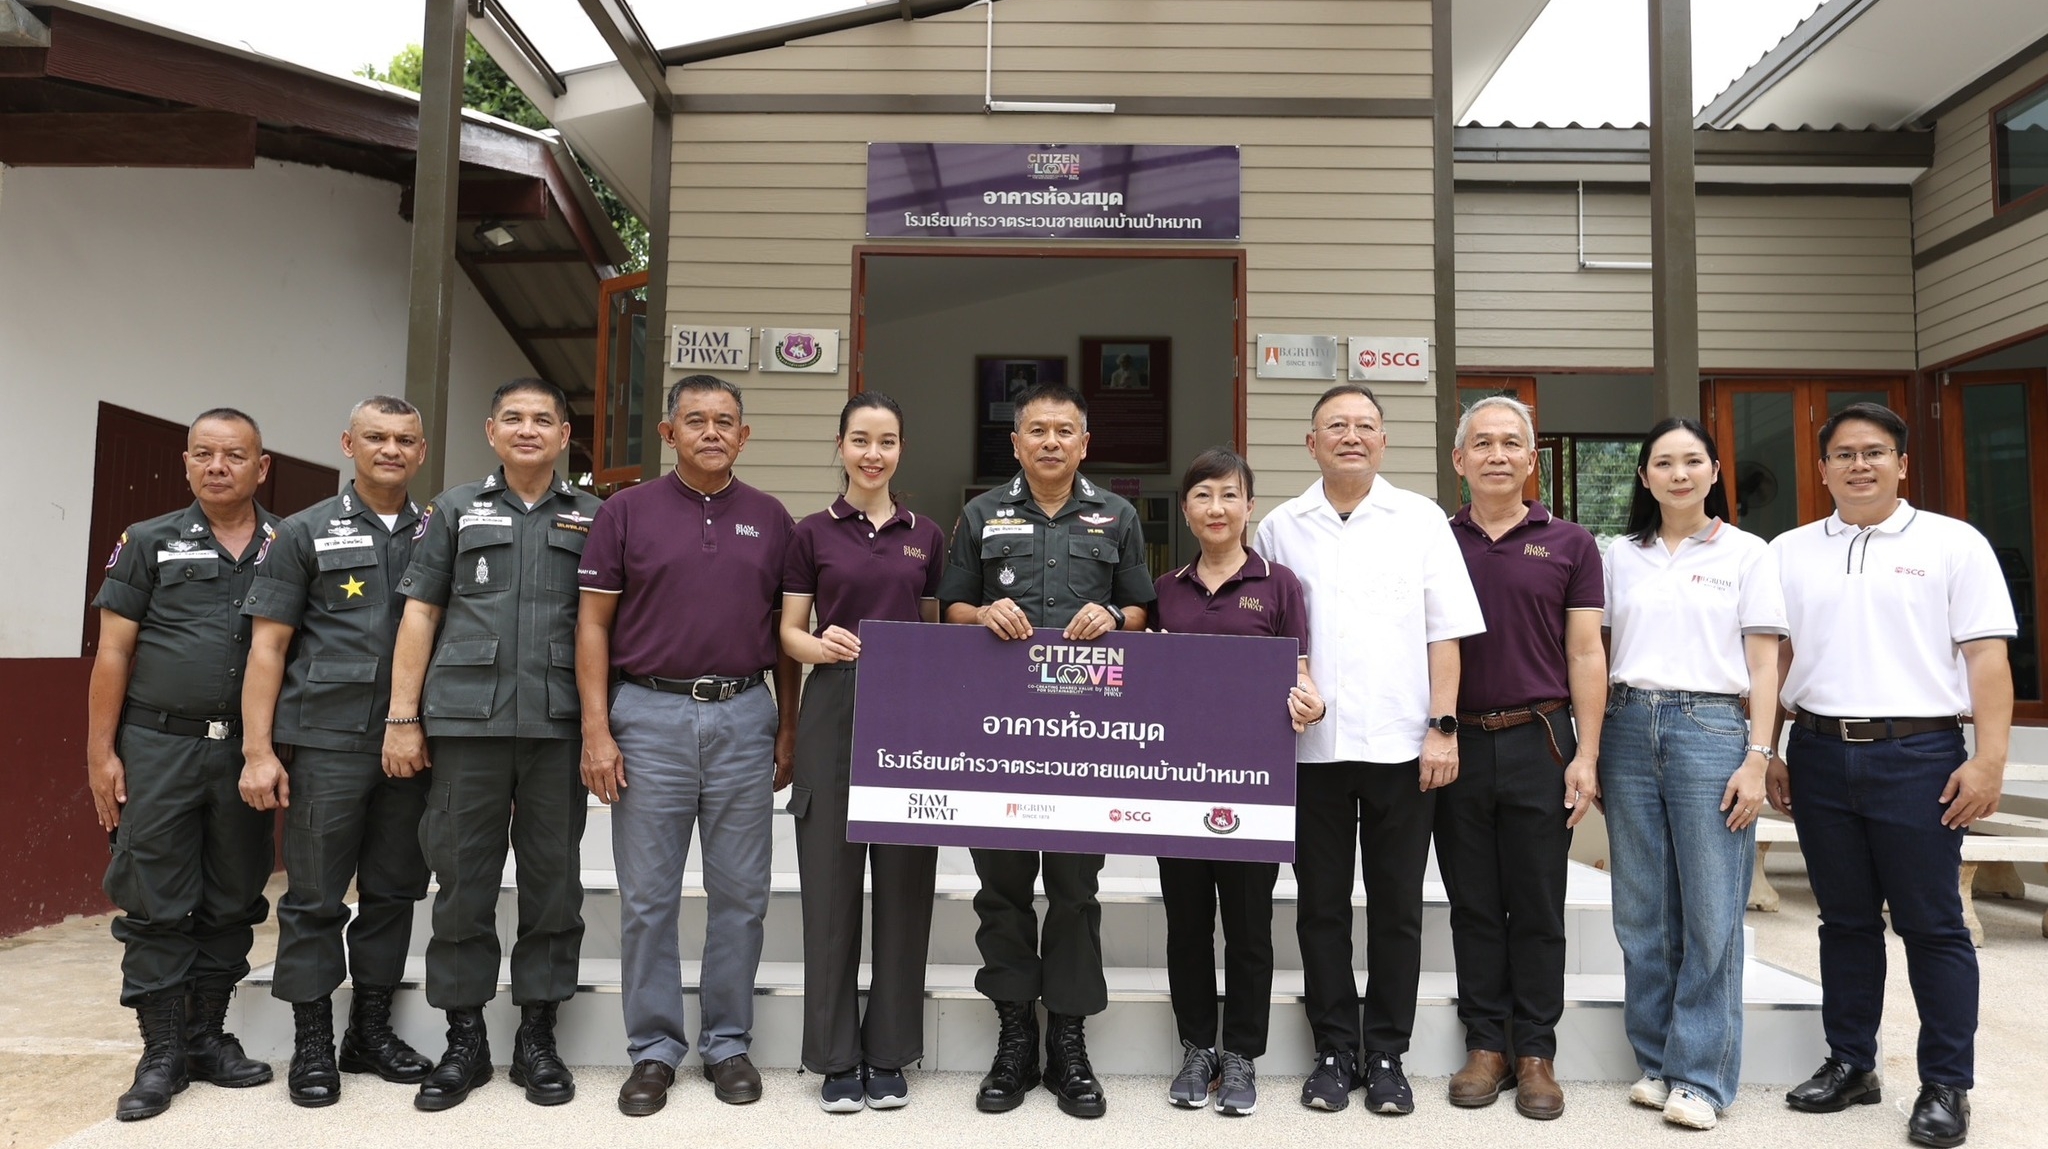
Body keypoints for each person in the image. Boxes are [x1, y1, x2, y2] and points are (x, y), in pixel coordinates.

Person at [1769, 402, 2013, 1149]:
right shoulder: (1790, 550)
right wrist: (1769, 747)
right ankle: (1852, 1062)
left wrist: (1989, 760)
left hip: (1918, 756)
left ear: (1902, 464)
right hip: (1818, 752)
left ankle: (1946, 1084)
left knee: (1932, 925)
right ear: (1822, 469)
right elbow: (1776, 657)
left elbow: (1987, 658)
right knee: (1843, 921)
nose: (1859, 465)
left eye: (1874, 452)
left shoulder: (1953, 543)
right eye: (1843, 454)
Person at [1254, 383, 1484, 1117]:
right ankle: (1332, 1050)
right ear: (1311, 443)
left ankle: (1386, 1053)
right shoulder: (1280, 528)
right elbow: (1267, 636)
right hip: (1309, 751)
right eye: (1336, 426)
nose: (1350, 436)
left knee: (1396, 909)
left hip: (1400, 746)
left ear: (1384, 440)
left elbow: (1444, 632)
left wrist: (1442, 726)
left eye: (1364, 425)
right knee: (1319, 908)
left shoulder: (1420, 520)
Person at [576, 374, 800, 1116]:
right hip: (648, 715)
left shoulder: (772, 519)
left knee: (742, 894)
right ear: (668, 432)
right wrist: (597, 729)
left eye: (725, 421)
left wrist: (787, 725)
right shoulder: (625, 511)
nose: (711, 432)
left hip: (743, 713)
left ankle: (728, 1042)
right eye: (695, 420)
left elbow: (785, 636)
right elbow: (593, 625)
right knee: (648, 898)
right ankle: (654, 1049)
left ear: (744, 435)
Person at [385, 377, 603, 1112]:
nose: (528, 429)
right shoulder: (453, 509)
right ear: (491, 431)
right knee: (462, 885)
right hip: (466, 727)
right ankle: (465, 1039)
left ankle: (538, 1036)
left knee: (554, 888)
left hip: (558, 727)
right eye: (513, 417)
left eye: (543, 419)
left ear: (565, 434)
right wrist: (403, 717)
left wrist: (603, 727)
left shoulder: (597, 517)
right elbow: (421, 613)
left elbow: (608, 624)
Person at [937, 381, 1155, 1119]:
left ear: (1085, 443)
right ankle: (1014, 1038)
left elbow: (1142, 607)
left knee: (1074, 889)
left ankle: (1067, 1039)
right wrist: (981, 613)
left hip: (1083, 740)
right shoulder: (981, 514)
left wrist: (1114, 615)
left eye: (1065, 430)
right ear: (1016, 442)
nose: (1052, 441)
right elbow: (950, 606)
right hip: (997, 737)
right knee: (1000, 887)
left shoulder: (1118, 515)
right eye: (1038, 430)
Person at [87, 407, 282, 1121]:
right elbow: (114, 651)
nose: (217, 466)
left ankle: (206, 1036)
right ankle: (162, 1050)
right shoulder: (147, 541)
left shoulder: (288, 544)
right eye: (203, 454)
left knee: (233, 893)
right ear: (186, 462)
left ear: (261, 467)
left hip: (244, 751)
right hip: (158, 746)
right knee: (155, 897)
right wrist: (100, 752)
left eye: (234, 455)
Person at [238, 396, 434, 1107]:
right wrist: (258, 750)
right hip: (326, 742)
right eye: (376, 437)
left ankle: (370, 1031)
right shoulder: (302, 531)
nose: (391, 449)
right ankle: (313, 1041)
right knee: (315, 897)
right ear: (349, 445)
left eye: (404, 439)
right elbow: (268, 647)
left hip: (414, 744)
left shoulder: (440, 531)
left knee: (394, 890)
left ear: (421, 451)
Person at [1600, 417, 1784, 1131]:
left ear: (1714, 472)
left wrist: (1759, 756)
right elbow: (1596, 650)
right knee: (1641, 909)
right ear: (1643, 476)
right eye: (1663, 462)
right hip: (1626, 724)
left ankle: (1702, 1077)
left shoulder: (1747, 552)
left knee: (1711, 911)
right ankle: (1657, 1061)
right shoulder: (1619, 555)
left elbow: (1764, 664)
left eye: (1692, 461)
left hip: (1712, 729)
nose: (1678, 474)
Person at [1438, 396, 1606, 1121]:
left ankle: (1536, 1051)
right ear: (1459, 459)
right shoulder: (1435, 541)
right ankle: (1486, 1045)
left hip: (1542, 738)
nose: (1497, 454)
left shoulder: (1571, 543)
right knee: (1473, 902)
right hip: (1458, 742)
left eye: (1511, 443)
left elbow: (1586, 652)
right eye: (1482, 443)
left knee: (1537, 903)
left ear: (1532, 459)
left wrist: (1587, 753)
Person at [778, 392, 945, 1113]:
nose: (873, 454)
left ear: (901, 449)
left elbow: (935, 631)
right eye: (860, 440)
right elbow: (788, 629)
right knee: (830, 884)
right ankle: (835, 1056)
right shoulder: (810, 532)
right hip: (834, 704)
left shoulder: (926, 535)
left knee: (904, 884)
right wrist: (818, 645)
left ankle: (890, 1051)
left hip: (909, 714)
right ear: (841, 446)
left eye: (887, 441)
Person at [1150, 447, 1322, 1118]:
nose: (1216, 508)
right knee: (1187, 923)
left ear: (1250, 506)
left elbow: (1300, 671)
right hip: (1177, 782)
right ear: (1186, 510)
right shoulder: (1165, 589)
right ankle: (1198, 1048)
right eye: (1203, 496)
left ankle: (1243, 1053)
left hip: (1254, 784)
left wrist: (1310, 703)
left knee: (1249, 926)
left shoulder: (1279, 586)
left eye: (1229, 495)